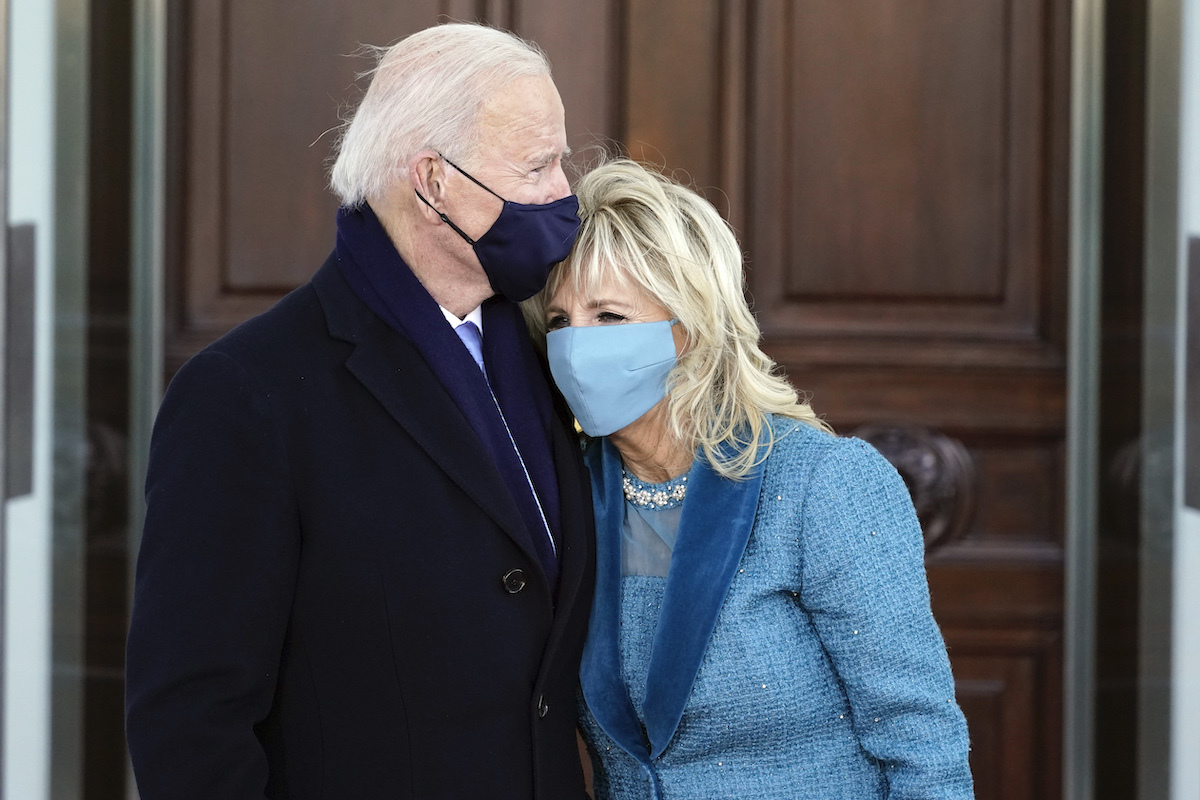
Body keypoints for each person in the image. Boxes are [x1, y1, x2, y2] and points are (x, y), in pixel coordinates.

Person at [125, 23, 595, 800]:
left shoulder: (549, 344)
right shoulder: (247, 394)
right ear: (432, 182)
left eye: (561, 161)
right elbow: (189, 726)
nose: (562, 192)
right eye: (538, 165)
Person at [522, 159, 975, 799]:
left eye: (610, 316)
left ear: (689, 327)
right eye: (560, 322)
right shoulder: (559, 496)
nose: (576, 347)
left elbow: (921, 740)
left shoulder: (824, 484)